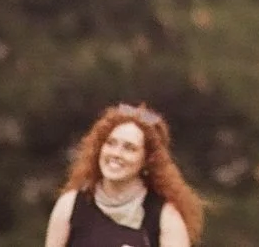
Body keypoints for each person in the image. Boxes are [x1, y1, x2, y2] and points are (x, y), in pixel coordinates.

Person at [43, 103, 204, 247]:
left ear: (147, 160)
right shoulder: (70, 205)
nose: (116, 154)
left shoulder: (166, 217)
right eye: (111, 143)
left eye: (129, 148)